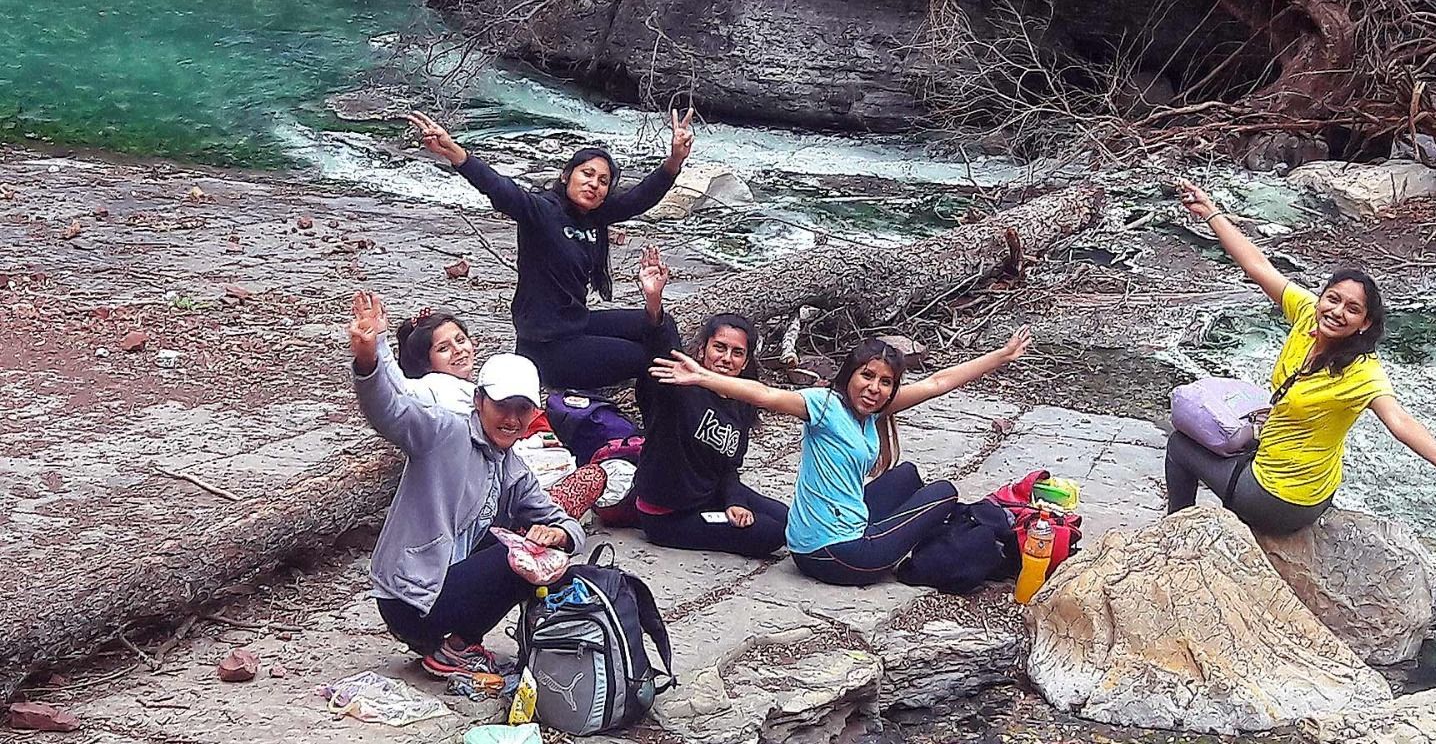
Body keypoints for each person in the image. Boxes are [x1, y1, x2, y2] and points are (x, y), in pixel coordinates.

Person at [1167, 181, 1436, 532]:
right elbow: (1257, 265)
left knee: (1179, 446)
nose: (1338, 311)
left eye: (1353, 309)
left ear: (1365, 323)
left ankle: (1173, 533)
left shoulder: (1363, 373)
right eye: (1333, 299)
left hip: (1280, 499)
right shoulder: (1307, 313)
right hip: (1310, 484)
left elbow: (1400, 422)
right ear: (1322, 297)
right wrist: (1211, 212)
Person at [650, 327, 1034, 585]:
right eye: (867, 376)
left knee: (907, 475)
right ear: (850, 374)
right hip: (835, 556)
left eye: (885, 382)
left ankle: (929, 539)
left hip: (836, 531)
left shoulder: (872, 411)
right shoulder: (823, 406)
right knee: (944, 493)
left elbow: (937, 383)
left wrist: (1000, 356)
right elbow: (765, 395)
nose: (874, 388)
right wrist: (704, 377)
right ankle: (937, 551)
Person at [348, 291, 586, 678]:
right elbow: (389, 410)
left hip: (445, 585)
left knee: (538, 551)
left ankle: (458, 644)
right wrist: (368, 359)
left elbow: (568, 524)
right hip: (408, 597)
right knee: (516, 556)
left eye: (522, 409)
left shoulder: (513, 468)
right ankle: (439, 641)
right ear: (479, 402)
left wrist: (558, 535)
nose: (511, 420)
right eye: (502, 407)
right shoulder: (445, 431)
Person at [404, 109, 697, 390]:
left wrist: (675, 159)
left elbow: (640, 197)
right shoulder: (540, 211)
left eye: (603, 181)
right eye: (587, 174)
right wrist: (453, 151)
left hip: (576, 324)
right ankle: (678, 406)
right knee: (648, 358)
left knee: (661, 325)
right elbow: (498, 187)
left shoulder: (595, 216)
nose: (594, 184)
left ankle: (687, 394)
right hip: (546, 346)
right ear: (566, 176)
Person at [630, 246, 789, 558]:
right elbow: (661, 350)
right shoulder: (677, 385)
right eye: (720, 348)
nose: (726, 358)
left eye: (737, 353)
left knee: (788, 519)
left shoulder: (742, 397)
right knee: (770, 533)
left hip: (710, 493)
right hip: (669, 515)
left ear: (746, 362)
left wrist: (734, 502)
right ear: (702, 350)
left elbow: (728, 466)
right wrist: (654, 302)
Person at [386, 305, 606, 520]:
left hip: (506, 480)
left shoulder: (468, 387)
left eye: (460, 340)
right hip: (480, 496)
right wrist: (376, 347)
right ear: (427, 363)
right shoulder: (434, 387)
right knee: (591, 477)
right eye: (443, 348)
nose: (458, 350)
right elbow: (398, 390)